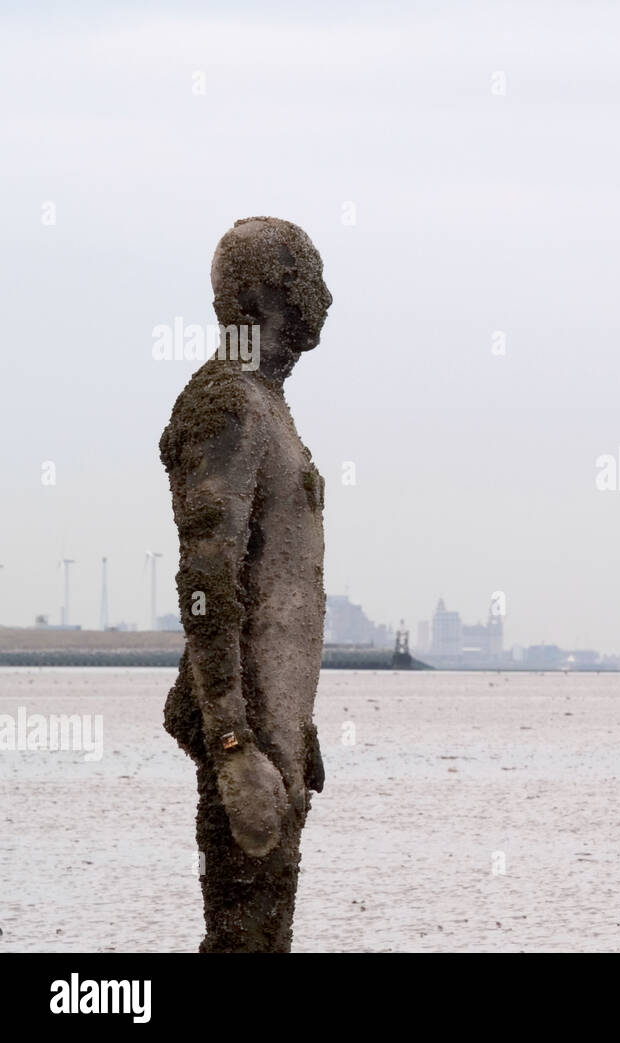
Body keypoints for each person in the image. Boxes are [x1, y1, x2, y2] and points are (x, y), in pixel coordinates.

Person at [159, 217, 332, 952]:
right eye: (306, 283)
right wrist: (232, 741)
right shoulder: (228, 402)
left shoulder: (262, 401)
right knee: (245, 935)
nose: (322, 302)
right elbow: (207, 578)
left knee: (265, 931)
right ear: (264, 297)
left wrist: (294, 725)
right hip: (246, 730)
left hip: (272, 727)